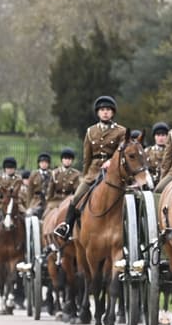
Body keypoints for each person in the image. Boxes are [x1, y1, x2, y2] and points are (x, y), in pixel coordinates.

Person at [53, 96, 127, 240]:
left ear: (113, 113)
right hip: (93, 172)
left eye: (108, 110)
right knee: (76, 199)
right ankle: (67, 227)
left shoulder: (121, 131)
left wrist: (112, 161)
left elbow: (123, 151)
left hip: (114, 172)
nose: (105, 113)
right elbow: (87, 157)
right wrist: (85, 176)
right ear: (98, 113)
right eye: (102, 110)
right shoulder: (90, 131)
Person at [25, 152, 53, 218]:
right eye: (42, 162)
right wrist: (28, 206)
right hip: (36, 201)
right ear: (39, 163)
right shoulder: (34, 175)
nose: (44, 164)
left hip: (48, 201)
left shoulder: (52, 174)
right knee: (30, 216)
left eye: (46, 163)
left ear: (48, 164)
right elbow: (29, 192)